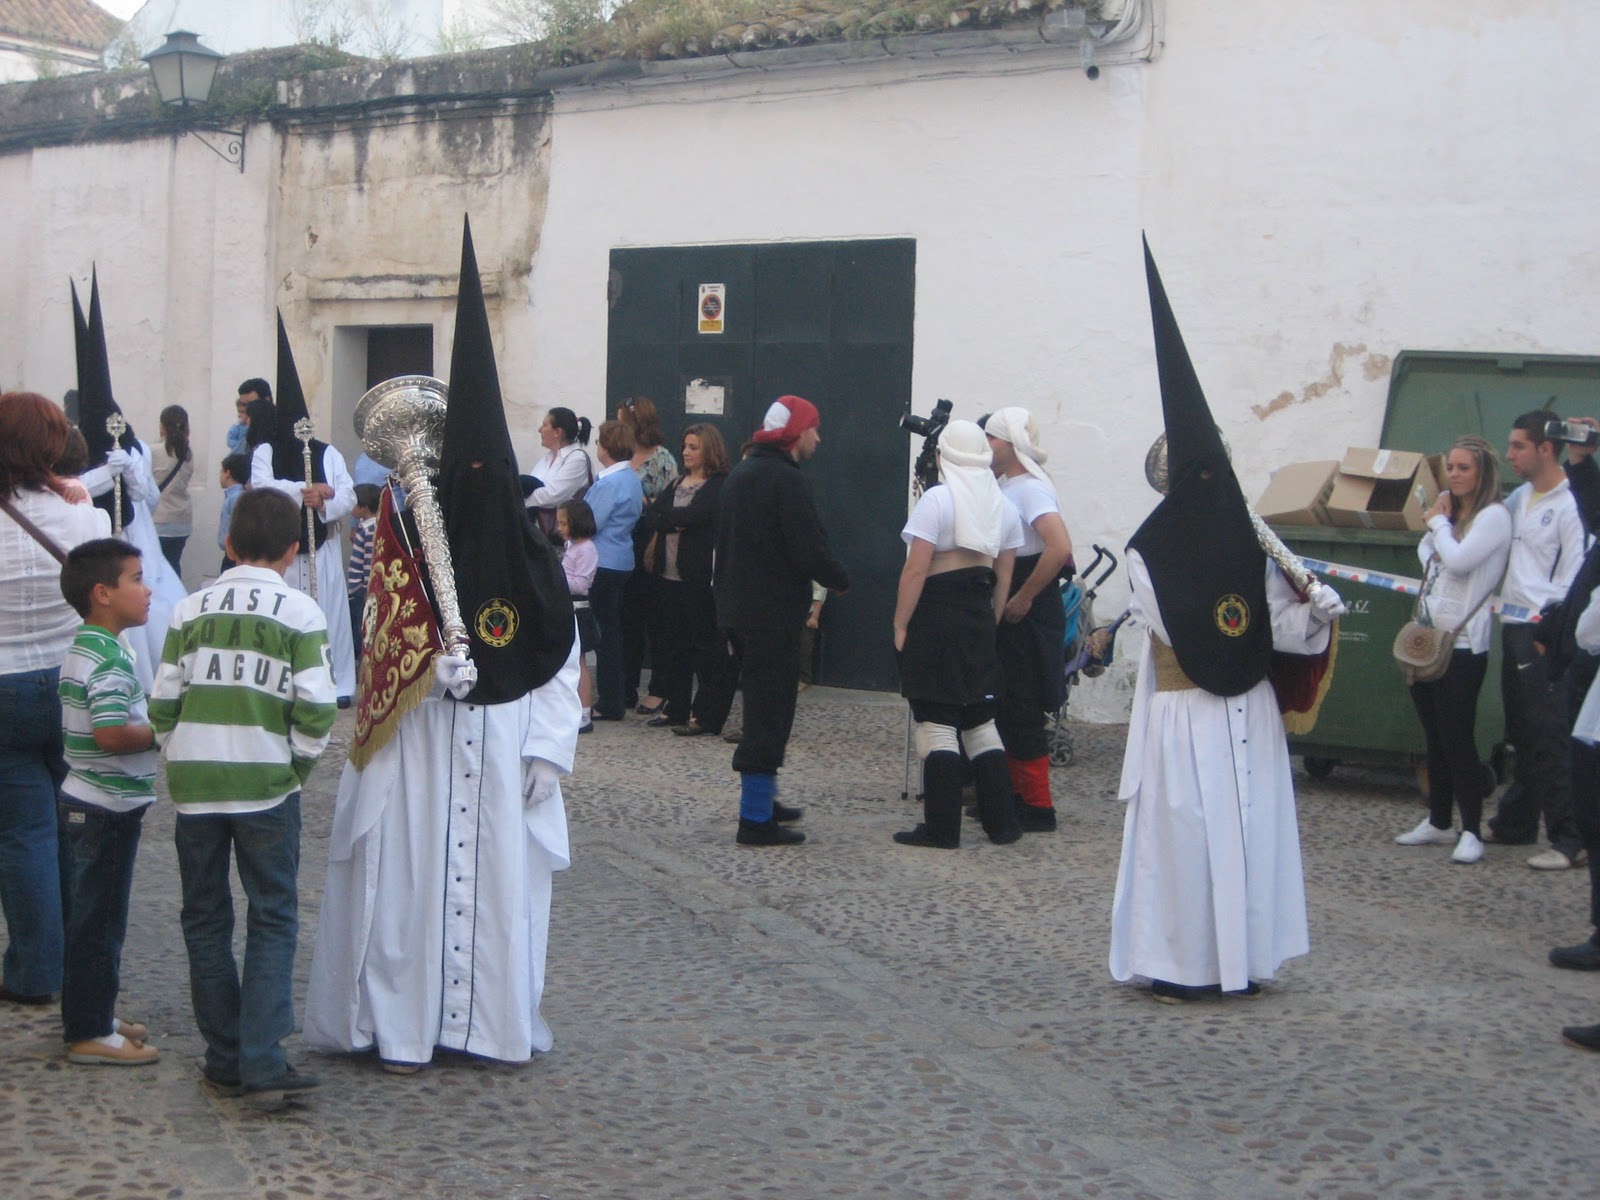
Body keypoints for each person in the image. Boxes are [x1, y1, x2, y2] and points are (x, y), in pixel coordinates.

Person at [304, 218, 580, 1073]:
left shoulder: (532, 562)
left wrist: (548, 750)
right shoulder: (407, 549)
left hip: (504, 753)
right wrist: (425, 662)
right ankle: (404, 1024)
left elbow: (561, 661)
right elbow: (381, 643)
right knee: (412, 892)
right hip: (421, 748)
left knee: (499, 896)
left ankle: (487, 1024)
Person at [1110, 242, 1346, 1002]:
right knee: (1185, 840)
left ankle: (1244, 955)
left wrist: (1312, 614)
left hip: (1244, 705)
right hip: (1189, 711)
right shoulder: (1149, 550)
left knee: (1247, 833)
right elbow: (1179, 626)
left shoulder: (1253, 540)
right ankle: (1181, 961)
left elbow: (1277, 627)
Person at [149, 487, 337, 1108]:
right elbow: (316, 707)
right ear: (292, 549)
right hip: (264, 782)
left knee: (204, 917)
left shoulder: (190, 609)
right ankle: (262, 1056)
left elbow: (162, 702)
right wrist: (296, 770)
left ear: (227, 544)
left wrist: (178, 751)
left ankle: (224, 1054)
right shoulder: (300, 612)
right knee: (273, 915)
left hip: (196, 785)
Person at [0, 392, 111, 1007]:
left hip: (5, 682)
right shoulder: (84, 517)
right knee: (73, 825)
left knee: (22, 834)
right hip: (72, 682)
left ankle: (35, 969)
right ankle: (74, 960)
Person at [714, 395, 850, 846]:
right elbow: (808, 544)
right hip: (770, 616)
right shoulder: (784, 481)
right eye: (814, 428)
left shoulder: (743, 473)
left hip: (743, 611)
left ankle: (765, 799)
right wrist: (839, 579)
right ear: (796, 434)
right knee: (769, 713)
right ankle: (754, 819)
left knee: (765, 707)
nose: (819, 437)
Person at [891, 419, 1024, 848]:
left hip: (936, 613)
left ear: (944, 456)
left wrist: (900, 623)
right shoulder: (1003, 507)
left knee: (936, 721)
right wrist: (992, 621)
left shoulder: (938, 499)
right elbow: (1004, 576)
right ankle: (1002, 824)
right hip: (979, 613)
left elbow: (915, 569)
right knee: (980, 723)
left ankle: (942, 828)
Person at [55, 538, 158, 1066]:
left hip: (88, 800)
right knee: (100, 922)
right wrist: (162, 728)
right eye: (136, 579)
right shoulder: (111, 659)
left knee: (92, 917)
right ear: (102, 593)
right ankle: (90, 1031)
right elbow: (112, 734)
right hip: (105, 808)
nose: (148, 590)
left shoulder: (87, 645)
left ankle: (92, 1012)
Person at [1393, 436, 1513, 864]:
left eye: (1464, 468)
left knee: (1457, 737)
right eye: (1451, 468)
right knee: (1434, 736)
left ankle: (1472, 830)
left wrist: (1439, 525)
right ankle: (1439, 821)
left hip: (1463, 644)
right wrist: (1440, 526)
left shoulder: (1493, 517)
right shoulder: (1454, 516)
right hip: (1430, 637)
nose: (1455, 475)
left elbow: (1458, 561)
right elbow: (1429, 556)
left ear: (1482, 473)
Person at [71, 274, 186, 694]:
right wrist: (104, 474)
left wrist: (132, 472)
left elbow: (150, 498)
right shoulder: (77, 448)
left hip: (136, 535)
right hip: (97, 537)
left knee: (149, 610)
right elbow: (74, 487)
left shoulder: (131, 444)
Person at [1485, 411, 1588, 869]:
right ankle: (1516, 822)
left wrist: (1554, 629)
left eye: (1518, 446)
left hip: (1545, 630)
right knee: (1521, 732)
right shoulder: (1518, 499)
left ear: (1546, 448)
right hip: (1513, 626)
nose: (1510, 455)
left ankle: (1571, 838)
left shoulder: (1571, 504)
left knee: (1550, 734)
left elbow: (1576, 577)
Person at [248, 316, 358, 706]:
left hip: (321, 549)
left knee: (328, 616)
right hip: (283, 553)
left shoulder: (327, 452)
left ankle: (337, 683)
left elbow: (346, 493)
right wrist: (304, 490)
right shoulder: (266, 452)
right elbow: (263, 486)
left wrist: (326, 502)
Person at [982, 407, 1073, 832]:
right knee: (1006, 702)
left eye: (991, 439)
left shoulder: (1032, 490)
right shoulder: (1007, 486)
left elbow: (1058, 547)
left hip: (1029, 607)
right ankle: (1013, 795)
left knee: (1023, 705)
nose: (986, 446)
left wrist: (1023, 597)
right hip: (1013, 599)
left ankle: (1038, 806)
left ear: (1010, 445)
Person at [639, 422, 730, 731]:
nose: (686, 452)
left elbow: (697, 516)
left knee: (705, 647)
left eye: (694, 447)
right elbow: (652, 514)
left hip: (700, 578)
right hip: (668, 576)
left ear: (709, 450)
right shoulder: (677, 482)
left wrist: (671, 519)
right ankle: (675, 708)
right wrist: (671, 521)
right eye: (685, 446)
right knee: (673, 646)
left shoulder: (718, 484)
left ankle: (704, 714)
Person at [620, 395, 679, 712]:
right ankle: (626, 687)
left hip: (650, 536)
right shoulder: (621, 455)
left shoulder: (662, 459)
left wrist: (648, 510)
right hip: (621, 539)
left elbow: (670, 505)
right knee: (626, 617)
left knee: (656, 617)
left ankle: (659, 687)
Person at [586, 419, 644, 721]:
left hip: (602, 561)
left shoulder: (610, 483)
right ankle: (616, 694)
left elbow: (589, 522)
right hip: (621, 558)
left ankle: (609, 699)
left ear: (606, 447)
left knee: (603, 634)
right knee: (612, 631)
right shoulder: (631, 478)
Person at [559, 497, 600, 732]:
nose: (560, 529)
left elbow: (580, 584)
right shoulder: (572, 547)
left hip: (579, 608)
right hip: (567, 607)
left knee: (580, 661)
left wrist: (555, 576)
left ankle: (585, 711)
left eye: (564, 524)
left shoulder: (587, 549)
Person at [524, 406, 594, 533]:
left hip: (562, 535)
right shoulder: (546, 458)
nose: (540, 430)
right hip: (538, 532)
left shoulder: (578, 458)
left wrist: (520, 500)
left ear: (558, 432)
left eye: (544, 425)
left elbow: (553, 495)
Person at [151, 404, 195, 576]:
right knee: (173, 566)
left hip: (159, 519)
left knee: (156, 570)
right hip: (182, 521)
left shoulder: (153, 451)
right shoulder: (187, 452)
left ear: (162, 426)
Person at [346, 483, 380, 656]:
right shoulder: (372, 527)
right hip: (362, 589)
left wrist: (366, 588)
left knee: (360, 625)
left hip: (361, 590)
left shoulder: (367, 530)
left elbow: (369, 561)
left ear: (364, 507)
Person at [217, 452, 249, 572]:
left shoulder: (236, 498)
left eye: (221, 471)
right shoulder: (235, 496)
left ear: (227, 473)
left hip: (234, 556)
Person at [228, 378, 271, 456]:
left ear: (266, 400)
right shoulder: (248, 432)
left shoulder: (280, 428)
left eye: (251, 404)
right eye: (244, 405)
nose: (247, 410)